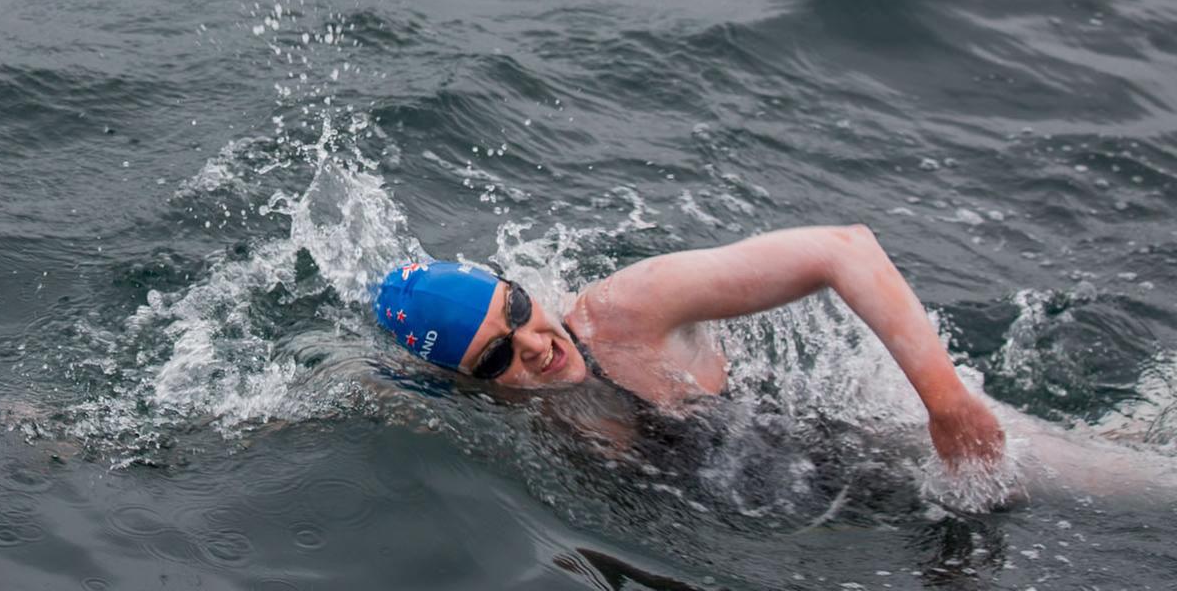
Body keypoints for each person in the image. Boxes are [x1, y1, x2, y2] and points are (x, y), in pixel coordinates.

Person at [373, 225, 1005, 469]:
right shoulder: (506, 413)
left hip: (897, 446)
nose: (535, 345)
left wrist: (947, 406)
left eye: (516, 308)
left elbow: (843, 249)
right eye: (494, 357)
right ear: (465, 380)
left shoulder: (624, 313)